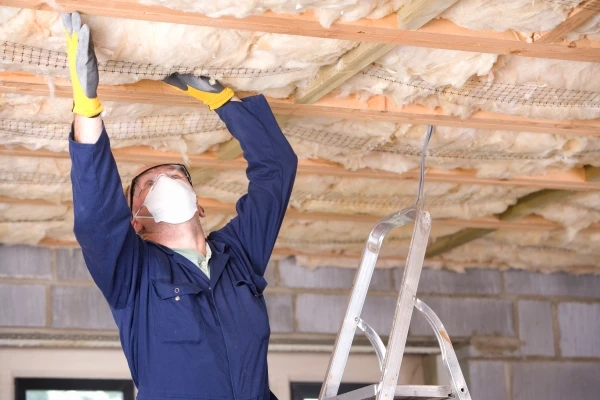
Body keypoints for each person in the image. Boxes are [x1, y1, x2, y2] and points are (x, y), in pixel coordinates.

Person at [62, 11, 297, 400]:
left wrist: (224, 102)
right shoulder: (132, 275)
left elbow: (277, 170)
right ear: (135, 220)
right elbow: (97, 218)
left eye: (177, 175)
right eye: (151, 184)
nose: (168, 181)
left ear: (199, 205)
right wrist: (86, 111)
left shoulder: (236, 256)